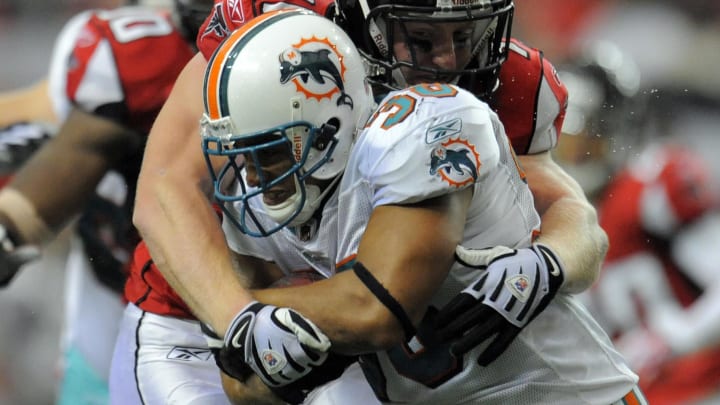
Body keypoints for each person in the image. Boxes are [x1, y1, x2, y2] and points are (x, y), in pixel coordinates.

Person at [194, 8, 641, 404]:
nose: (253, 176)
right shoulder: (255, 210)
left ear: (323, 125)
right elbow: (240, 380)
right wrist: (274, 355)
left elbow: (377, 310)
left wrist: (240, 312)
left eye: (267, 152)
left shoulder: (427, 122)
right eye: (244, 155)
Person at [0, 1, 209, 403]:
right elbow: (46, 122)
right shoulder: (132, 56)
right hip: (111, 323)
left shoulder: (311, 51)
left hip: (242, 333)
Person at [582, 144, 720, 405]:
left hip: (693, 374)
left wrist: (680, 336)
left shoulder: (668, 190)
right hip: (636, 374)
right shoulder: (594, 227)